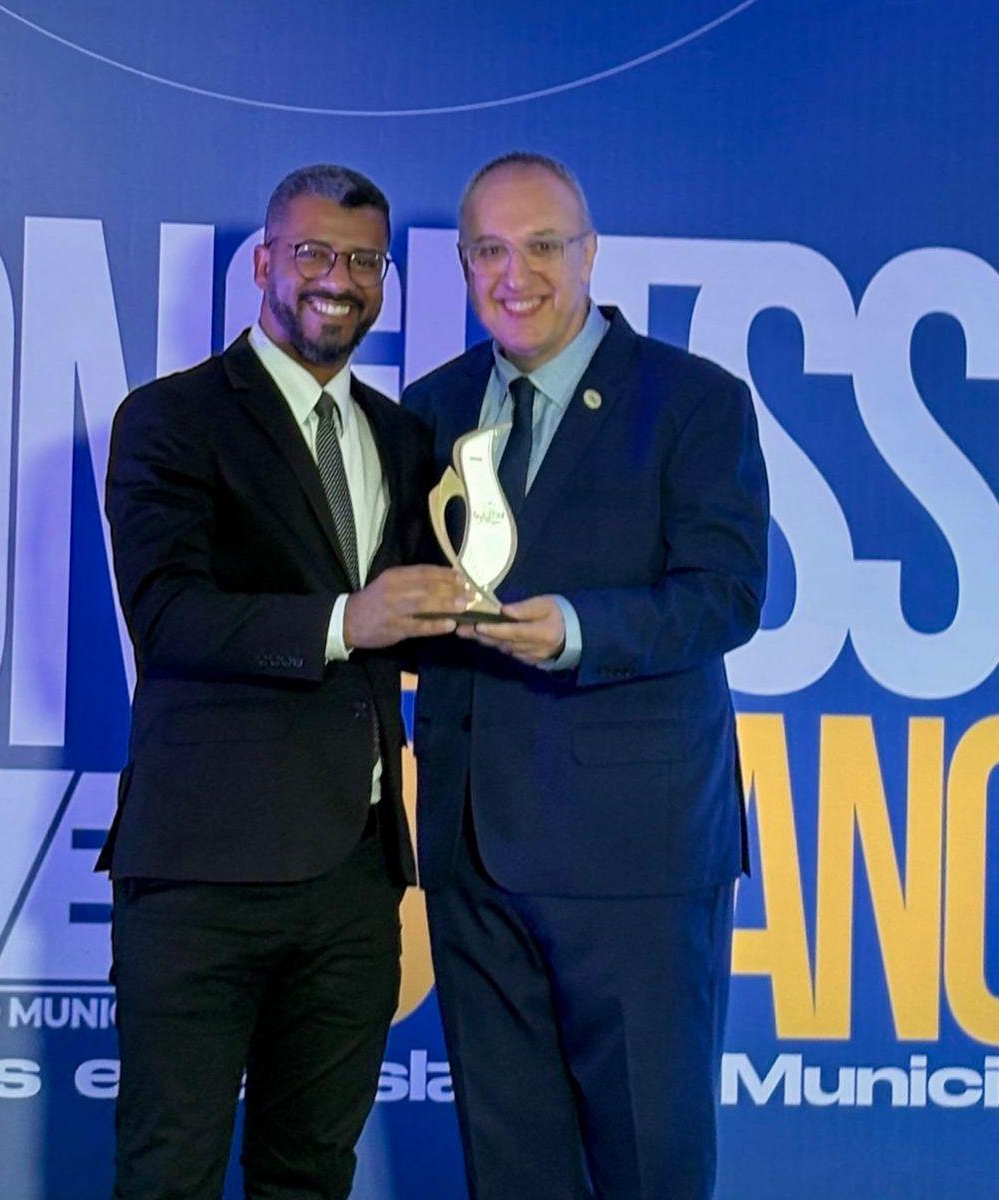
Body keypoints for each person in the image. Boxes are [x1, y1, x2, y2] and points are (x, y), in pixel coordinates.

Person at [402, 152, 769, 1200]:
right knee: (511, 1172)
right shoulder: (427, 411)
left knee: (651, 1165)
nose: (515, 276)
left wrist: (576, 629)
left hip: (635, 861)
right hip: (471, 854)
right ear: (465, 263)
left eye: (542, 246)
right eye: (489, 251)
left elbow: (729, 594)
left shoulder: (693, 402)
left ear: (591, 253)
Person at [100, 163, 468, 1200]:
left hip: (355, 881)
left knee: (310, 1173)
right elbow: (168, 615)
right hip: (203, 874)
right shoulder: (171, 420)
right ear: (264, 262)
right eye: (312, 253)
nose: (336, 279)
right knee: (168, 1171)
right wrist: (350, 620)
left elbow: (421, 624)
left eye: (362, 260)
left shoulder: (403, 437)